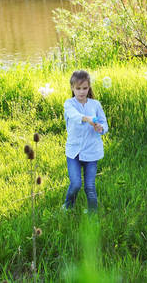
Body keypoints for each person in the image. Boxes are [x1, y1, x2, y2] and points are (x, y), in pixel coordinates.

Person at [62, 70, 108, 212]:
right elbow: (74, 116)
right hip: (74, 152)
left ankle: (92, 215)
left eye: (85, 88)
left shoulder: (95, 104)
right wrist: (88, 119)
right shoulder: (69, 104)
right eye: (78, 88)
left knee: (90, 187)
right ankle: (68, 206)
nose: (82, 92)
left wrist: (100, 128)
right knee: (76, 184)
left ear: (89, 88)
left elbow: (104, 125)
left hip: (91, 151)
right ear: (72, 88)